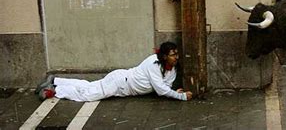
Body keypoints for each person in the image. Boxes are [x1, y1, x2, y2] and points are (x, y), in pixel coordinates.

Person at [35, 42, 192, 102]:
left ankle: (56, 81)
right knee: (89, 95)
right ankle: (55, 90)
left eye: (176, 54)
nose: (176, 57)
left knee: (90, 86)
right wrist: (180, 96)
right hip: (120, 83)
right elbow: (160, 89)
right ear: (164, 56)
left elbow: (165, 87)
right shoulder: (153, 63)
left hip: (122, 86)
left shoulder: (172, 70)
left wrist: (173, 91)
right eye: (173, 55)